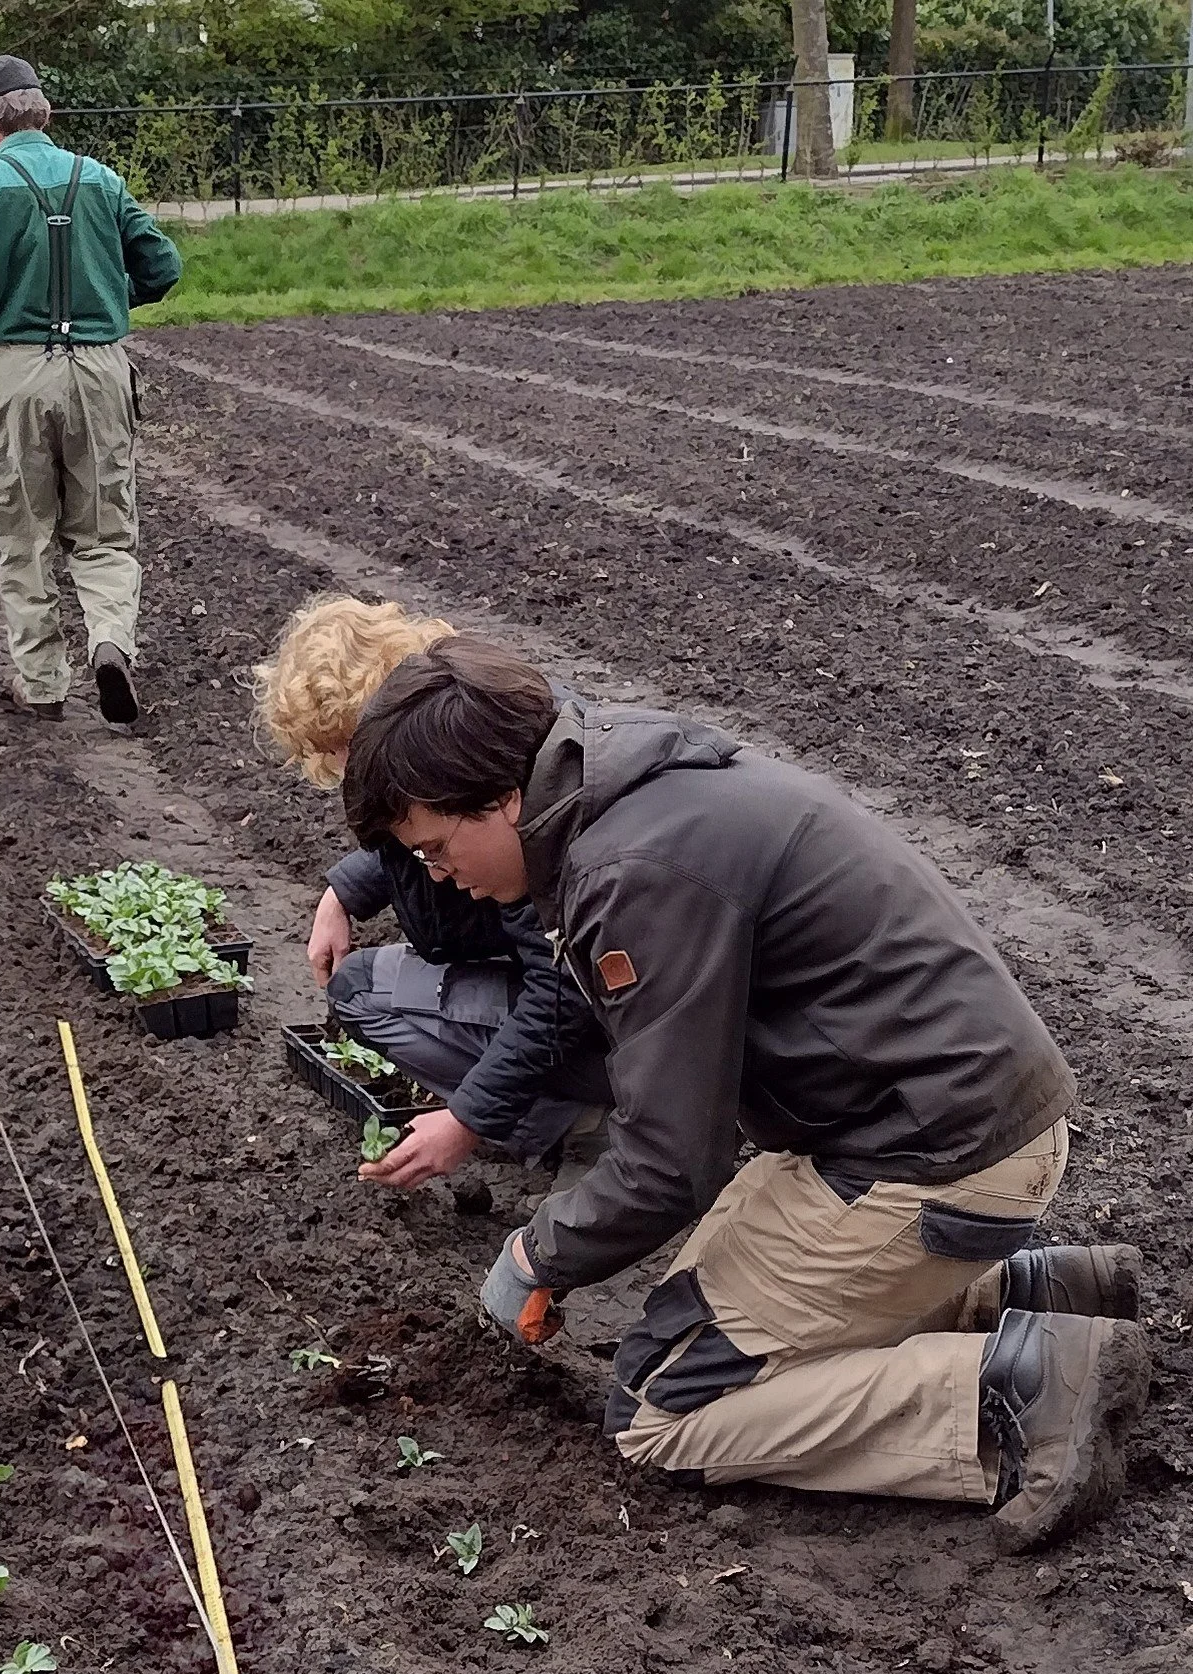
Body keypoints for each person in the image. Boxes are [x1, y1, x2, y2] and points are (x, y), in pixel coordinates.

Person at [342, 636, 1149, 1551]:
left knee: (665, 1405)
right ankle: (1034, 1289)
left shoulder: (630, 868)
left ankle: (1019, 1392)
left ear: (500, 797)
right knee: (689, 1316)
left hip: (933, 1154)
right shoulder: (619, 783)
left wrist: (535, 1254)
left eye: (436, 847)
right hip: (924, 1119)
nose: (436, 873)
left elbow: (671, 1161)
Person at [254, 596, 607, 1196]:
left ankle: (588, 1130)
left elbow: (561, 989)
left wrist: (467, 1120)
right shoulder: (443, 748)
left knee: (373, 996)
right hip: (555, 978)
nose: (340, 767)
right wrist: (342, 893)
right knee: (356, 988)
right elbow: (413, 843)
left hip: (604, 1011)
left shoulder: (502, 786)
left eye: (341, 747)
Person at [0, 54, 183, 724]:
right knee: (104, 531)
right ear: (46, 113)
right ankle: (109, 640)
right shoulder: (101, 179)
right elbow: (162, 267)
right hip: (99, 370)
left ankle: (40, 682)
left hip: (15, 376)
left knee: (23, 534)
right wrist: (106, 298)